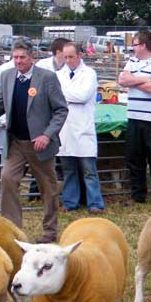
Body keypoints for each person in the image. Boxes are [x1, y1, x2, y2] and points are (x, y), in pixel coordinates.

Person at [0, 38, 67, 240]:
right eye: (15, 57)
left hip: (39, 145)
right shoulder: (7, 76)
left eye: (22, 57)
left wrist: (47, 135)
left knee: (48, 188)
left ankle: (49, 232)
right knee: (7, 179)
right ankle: (12, 231)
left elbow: (60, 110)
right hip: (15, 142)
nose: (18, 61)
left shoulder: (47, 78)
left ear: (31, 57)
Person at [118, 29, 151, 205]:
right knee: (135, 158)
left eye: (134, 44)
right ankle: (138, 195)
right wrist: (145, 79)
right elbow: (122, 80)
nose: (132, 48)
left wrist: (134, 80)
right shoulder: (131, 61)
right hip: (134, 117)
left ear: (143, 45)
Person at [57, 42, 104, 213]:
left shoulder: (89, 74)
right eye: (65, 57)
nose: (68, 60)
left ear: (80, 56)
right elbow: (54, 97)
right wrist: (64, 95)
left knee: (89, 170)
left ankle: (95, 204)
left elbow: (83, 96)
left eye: (71, 57)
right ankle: (70, 202)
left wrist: (62, 94)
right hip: (65, 129)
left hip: (83, 127)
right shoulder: (59, 74)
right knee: (68, 169)